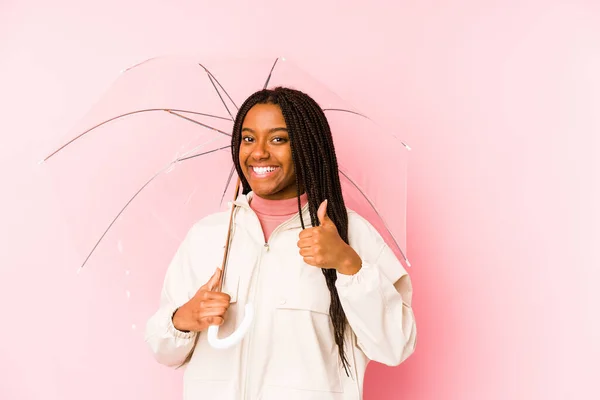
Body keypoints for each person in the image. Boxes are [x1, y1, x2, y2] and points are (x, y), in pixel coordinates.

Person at [145, 87, 417, 399]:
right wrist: (185, 318)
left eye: (278, 139)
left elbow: (396, 345)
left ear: (307, 147)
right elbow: (163, 350)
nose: (258, 152)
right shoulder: (207, 236)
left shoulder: (347, 233)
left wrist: (348, 264)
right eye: (248, 138)